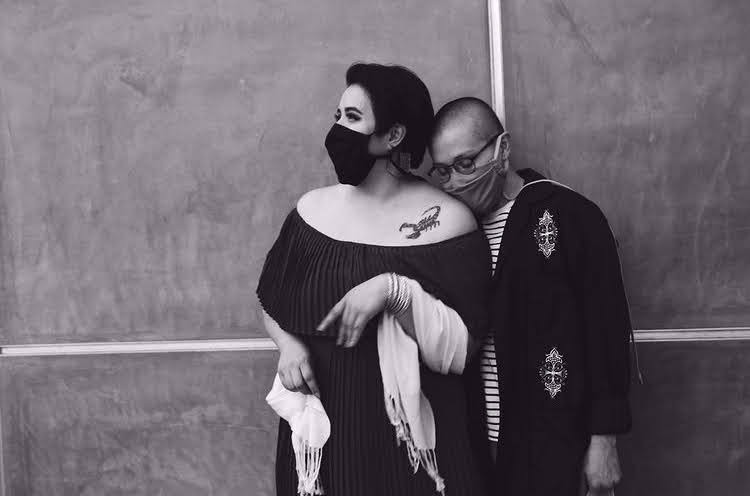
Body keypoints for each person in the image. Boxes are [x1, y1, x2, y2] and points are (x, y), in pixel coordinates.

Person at [257, 64, 491, 496]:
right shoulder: (311, 212)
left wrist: (394, 292)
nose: (337, 130)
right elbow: (272, 300)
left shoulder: (449, 222)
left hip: (415, 453)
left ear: (394, 135)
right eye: (337, 116)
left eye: (353, 117)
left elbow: (464, 348)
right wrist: (287, 347)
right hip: (327, 448)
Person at [427, 97, 633, 496]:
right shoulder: (452, 231)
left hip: (553, 437)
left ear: (502, 149)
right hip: (473, 442)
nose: (455, 180)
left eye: (465, 163)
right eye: (443, 170)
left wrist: (604, 440)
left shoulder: (570, 216)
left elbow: (605, 330)